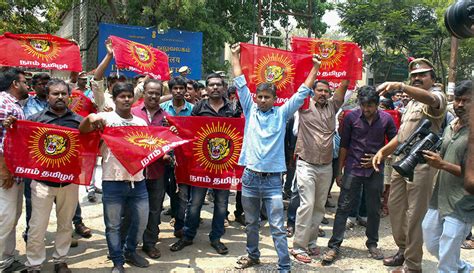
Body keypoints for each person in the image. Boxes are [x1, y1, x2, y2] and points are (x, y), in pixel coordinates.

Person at [230, 43, 321, 272]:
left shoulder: (282, 114)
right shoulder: (250, 110)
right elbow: (240, 82)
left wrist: (315, 68)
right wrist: (234, 56)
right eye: (259, 96)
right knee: (251, 223)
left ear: (274, 98)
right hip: (250, 177)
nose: (261, 100)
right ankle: (253, 255)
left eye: (266, 97)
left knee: (277, 227)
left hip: (272, 181)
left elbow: (301, 93)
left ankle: (284, 265)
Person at [372, 58, 447, 273]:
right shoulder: (411, 103)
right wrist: (383, 151)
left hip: (422, 164)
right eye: (413, 76)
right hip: (401, 161)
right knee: (395, 209)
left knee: (415, 216)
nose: (417, 78)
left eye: (422, 74)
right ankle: (403, 250)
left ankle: (413, 265)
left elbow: (432, 99)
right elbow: (404, 136)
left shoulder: (436, 96)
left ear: (432, 78)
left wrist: (401, 86)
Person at [79, 82, 150, 273]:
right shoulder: (104, 118)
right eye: (122, 96)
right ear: (114, 98)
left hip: (138, 181)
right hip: (112, 181)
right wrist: (91, 117)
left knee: (141, 220)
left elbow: (147, 147)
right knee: (113, 225)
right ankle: (117, 261)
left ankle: (130, 251)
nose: (126, 99)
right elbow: (82, 130)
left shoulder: (141, 123)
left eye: (129, 96)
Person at [322, 86, 397, 265]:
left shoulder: (386, 119)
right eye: (363, 105)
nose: (366, 109)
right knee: (343, 207)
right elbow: (344, 146)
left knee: (373, 209)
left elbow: (396, 140)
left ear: (377, 104)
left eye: (370, 105)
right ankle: (334, 246)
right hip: (353, 169)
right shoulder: (350, 117)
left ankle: (372, 243)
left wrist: (380, 155)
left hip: (375, 171)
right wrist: (339, 171)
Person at [170, 73, 241, 255]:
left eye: (218, 85)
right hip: (201, 164)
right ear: (206, 88)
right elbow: (190, 132)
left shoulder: (232, 108)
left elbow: (238, 134)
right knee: (195, 203)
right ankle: (187, 236)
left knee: (221, 204)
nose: (215, 88)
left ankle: (216, 238)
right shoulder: (198, 107)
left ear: (224, 87)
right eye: (211, 85)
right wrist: (175, 128)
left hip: (223, 165)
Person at [22, 79, 82, 273]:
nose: (60, 97)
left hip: (68, 183)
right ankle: (34, 264)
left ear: (69, 96)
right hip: (41, 182)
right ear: (47, 96)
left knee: (65, 224)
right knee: (37, 226)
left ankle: (60, 260)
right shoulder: (34, 120)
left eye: (63, 94)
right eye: (55, 94)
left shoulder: (79, 122)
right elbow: (22, 143)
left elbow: (90, 147)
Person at [290, 79, 349, 263]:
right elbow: (301, 89)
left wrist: (347, 68)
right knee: (307, 204)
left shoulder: (333, 107)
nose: (323, 93)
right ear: (313, 92)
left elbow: (343, 88)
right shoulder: (304, 105)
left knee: (319, 206)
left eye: (326, 91)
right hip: (306, 164)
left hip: (325, 166)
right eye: (320, 90)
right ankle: (298, 247)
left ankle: (311, 242)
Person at [421, 80, 472, 273]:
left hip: (462, 203)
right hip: (439, 197)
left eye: (465, 100)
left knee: (446, 261)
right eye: (457, 100)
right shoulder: (451, 125)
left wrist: (441, 164)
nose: (459, 104)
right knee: (432, 242)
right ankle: (463, 268)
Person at [130, 79, 172, 259]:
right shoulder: (132, 114)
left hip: (157, 171)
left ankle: (149, 243)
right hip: (134, 172)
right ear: (143, 93)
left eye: (157, 93)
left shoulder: (166, 116)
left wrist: (169, 154)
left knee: (155, 209)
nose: (154, 96)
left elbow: (171, 141)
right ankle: (128, 245)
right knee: (131, 209)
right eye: (150, 92)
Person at [0, 68, 28, 273]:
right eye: (25, 82)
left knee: (13, 215)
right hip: (6, 170)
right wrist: (4, 168)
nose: (28, 85)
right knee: (6, 216)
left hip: (16, 170)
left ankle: (7, 258)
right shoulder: (3, 102)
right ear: (15, 84)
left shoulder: (15, 104)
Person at [159, 76, 194, 239]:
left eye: (182, 88)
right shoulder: (162, 109)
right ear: (171, 90)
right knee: (168, 189)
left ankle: (180, 225)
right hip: (165, 155)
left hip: (185, 155)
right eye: (175, 88)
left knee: (183, 192)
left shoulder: (194, 109)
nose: (179, 91)